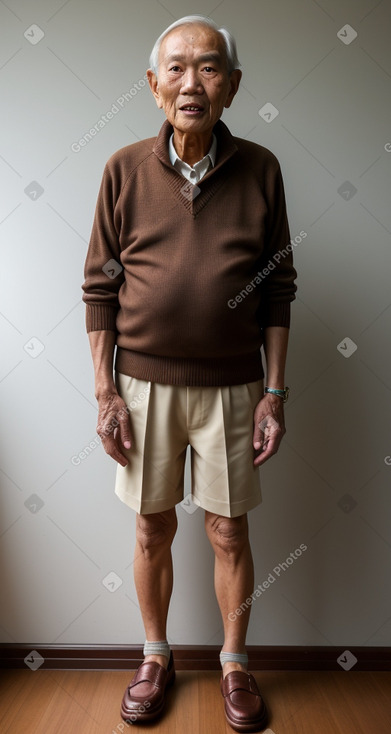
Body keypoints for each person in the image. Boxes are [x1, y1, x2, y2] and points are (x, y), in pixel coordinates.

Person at [82, 14, 297, 733]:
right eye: (175, 68)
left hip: (235, 389)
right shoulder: (121, 168)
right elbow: (99, 290)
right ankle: (155, 656)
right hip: (140, 387)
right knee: (150, 528)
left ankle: (234, 663)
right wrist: (105, 388)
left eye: (208, 68)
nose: (190, 83)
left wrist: (274, 391)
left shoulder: (261, 169)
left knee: (229, 532)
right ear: (152, 85)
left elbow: (277, 290)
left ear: (231, 87)